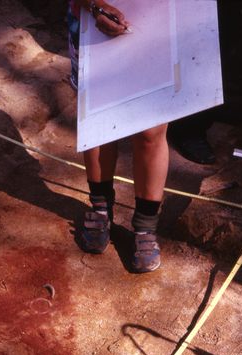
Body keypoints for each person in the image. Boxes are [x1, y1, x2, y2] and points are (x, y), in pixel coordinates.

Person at [69, 1, 169, 272]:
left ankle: (146, 226)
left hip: (162, 21)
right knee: (98, 117)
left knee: (151, 128)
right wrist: (94, 4)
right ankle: (101, 208)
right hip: (92, 19)